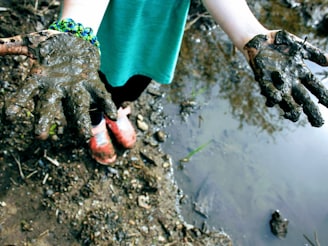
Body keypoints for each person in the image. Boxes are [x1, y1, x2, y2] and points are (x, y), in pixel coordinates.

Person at [1, 0, 328, 165]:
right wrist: (76, 27)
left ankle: (120, 110)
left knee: (133, 85)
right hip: (102, 29)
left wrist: (248, 33)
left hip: (156, 35)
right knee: (91, 87)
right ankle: (98, 123)